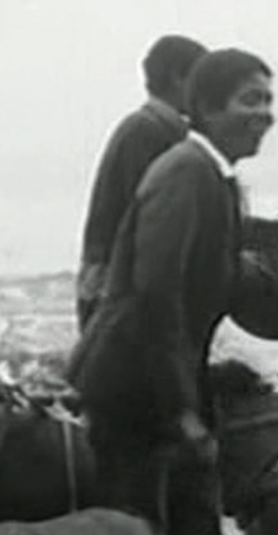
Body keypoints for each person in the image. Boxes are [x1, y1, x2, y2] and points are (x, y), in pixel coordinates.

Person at [67, 48, 275, 535]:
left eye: (269, 101)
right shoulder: (184, 171)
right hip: (131, 384)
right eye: (250, 99)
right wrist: (183, 409)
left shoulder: (216, 178)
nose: (265, 114)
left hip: (159, 380)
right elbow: (155, 298)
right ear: (205, 106)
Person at [76, 35, 207, 328]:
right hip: (118, 288)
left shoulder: (150, 128)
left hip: (113, 284)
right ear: (177, 77)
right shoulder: (148, 132)